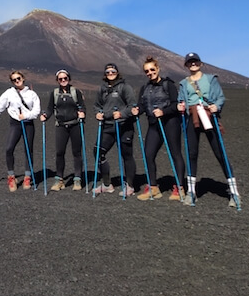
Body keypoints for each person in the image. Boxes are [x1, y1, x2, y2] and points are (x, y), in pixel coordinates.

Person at [177, 53, 241, 208]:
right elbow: (180, 99)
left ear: (200, 63)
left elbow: (220, 98)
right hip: (191, 117)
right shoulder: (183, 83)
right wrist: (180, 106)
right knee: (192, 153)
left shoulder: (210, 79)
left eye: (195, 62)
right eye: (190, 62)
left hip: (208, 116)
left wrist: (216, 107)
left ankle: (234, 193)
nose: (193, 64)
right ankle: (191, 192)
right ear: (186, 65)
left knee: (219, 152)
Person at [132, 56, 185, 201]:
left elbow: (176, 104)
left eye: (152, 70)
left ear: (158, 69)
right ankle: (153, 187)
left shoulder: (168, 85)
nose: (150, 73)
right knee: (148, 154)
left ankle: (179, 187)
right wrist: (138, 110)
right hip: (154, 124)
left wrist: (164, 111)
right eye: (147, 71)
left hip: (170, 123)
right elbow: (142, 105)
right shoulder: (145, 88)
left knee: (175, 153)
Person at [0, 71, 41, 192]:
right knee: (9, 148)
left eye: (19, 78)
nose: (17, 81)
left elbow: (36, 111)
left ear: (23, 78)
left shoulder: (32, 94)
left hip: (28, 124)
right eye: (14, 80)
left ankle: (27, 177)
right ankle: (11, 176)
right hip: (15, 123)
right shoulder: (9, 93)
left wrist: (27, 115)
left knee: (28, 150)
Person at [92, 63, 137, 197]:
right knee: (98, 151)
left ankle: (130, 186)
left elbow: (132, 107)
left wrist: (122, 114)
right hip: (108, 126)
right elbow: (96, 105)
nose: (110, 73)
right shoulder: (102, 89)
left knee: (126, 155)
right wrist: (98, 113)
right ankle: (107, 185)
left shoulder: (125, 87)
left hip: (124, 126)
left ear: (117, 72)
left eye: (113, 71)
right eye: (108, 72)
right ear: (105, 74)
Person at [40, 70, 86, 191]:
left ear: (69, 78)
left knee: (77, 153)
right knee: (59, 152)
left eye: (65, 78)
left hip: (75, 125)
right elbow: (50, 108)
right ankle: (59, 179)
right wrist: (45, 115)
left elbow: (82, 106)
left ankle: (77, 179)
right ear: (57, 81)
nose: (63, 80)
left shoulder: (76, 92)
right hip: (61, 126)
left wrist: (82, 113)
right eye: (60, 79)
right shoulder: (54, 93)